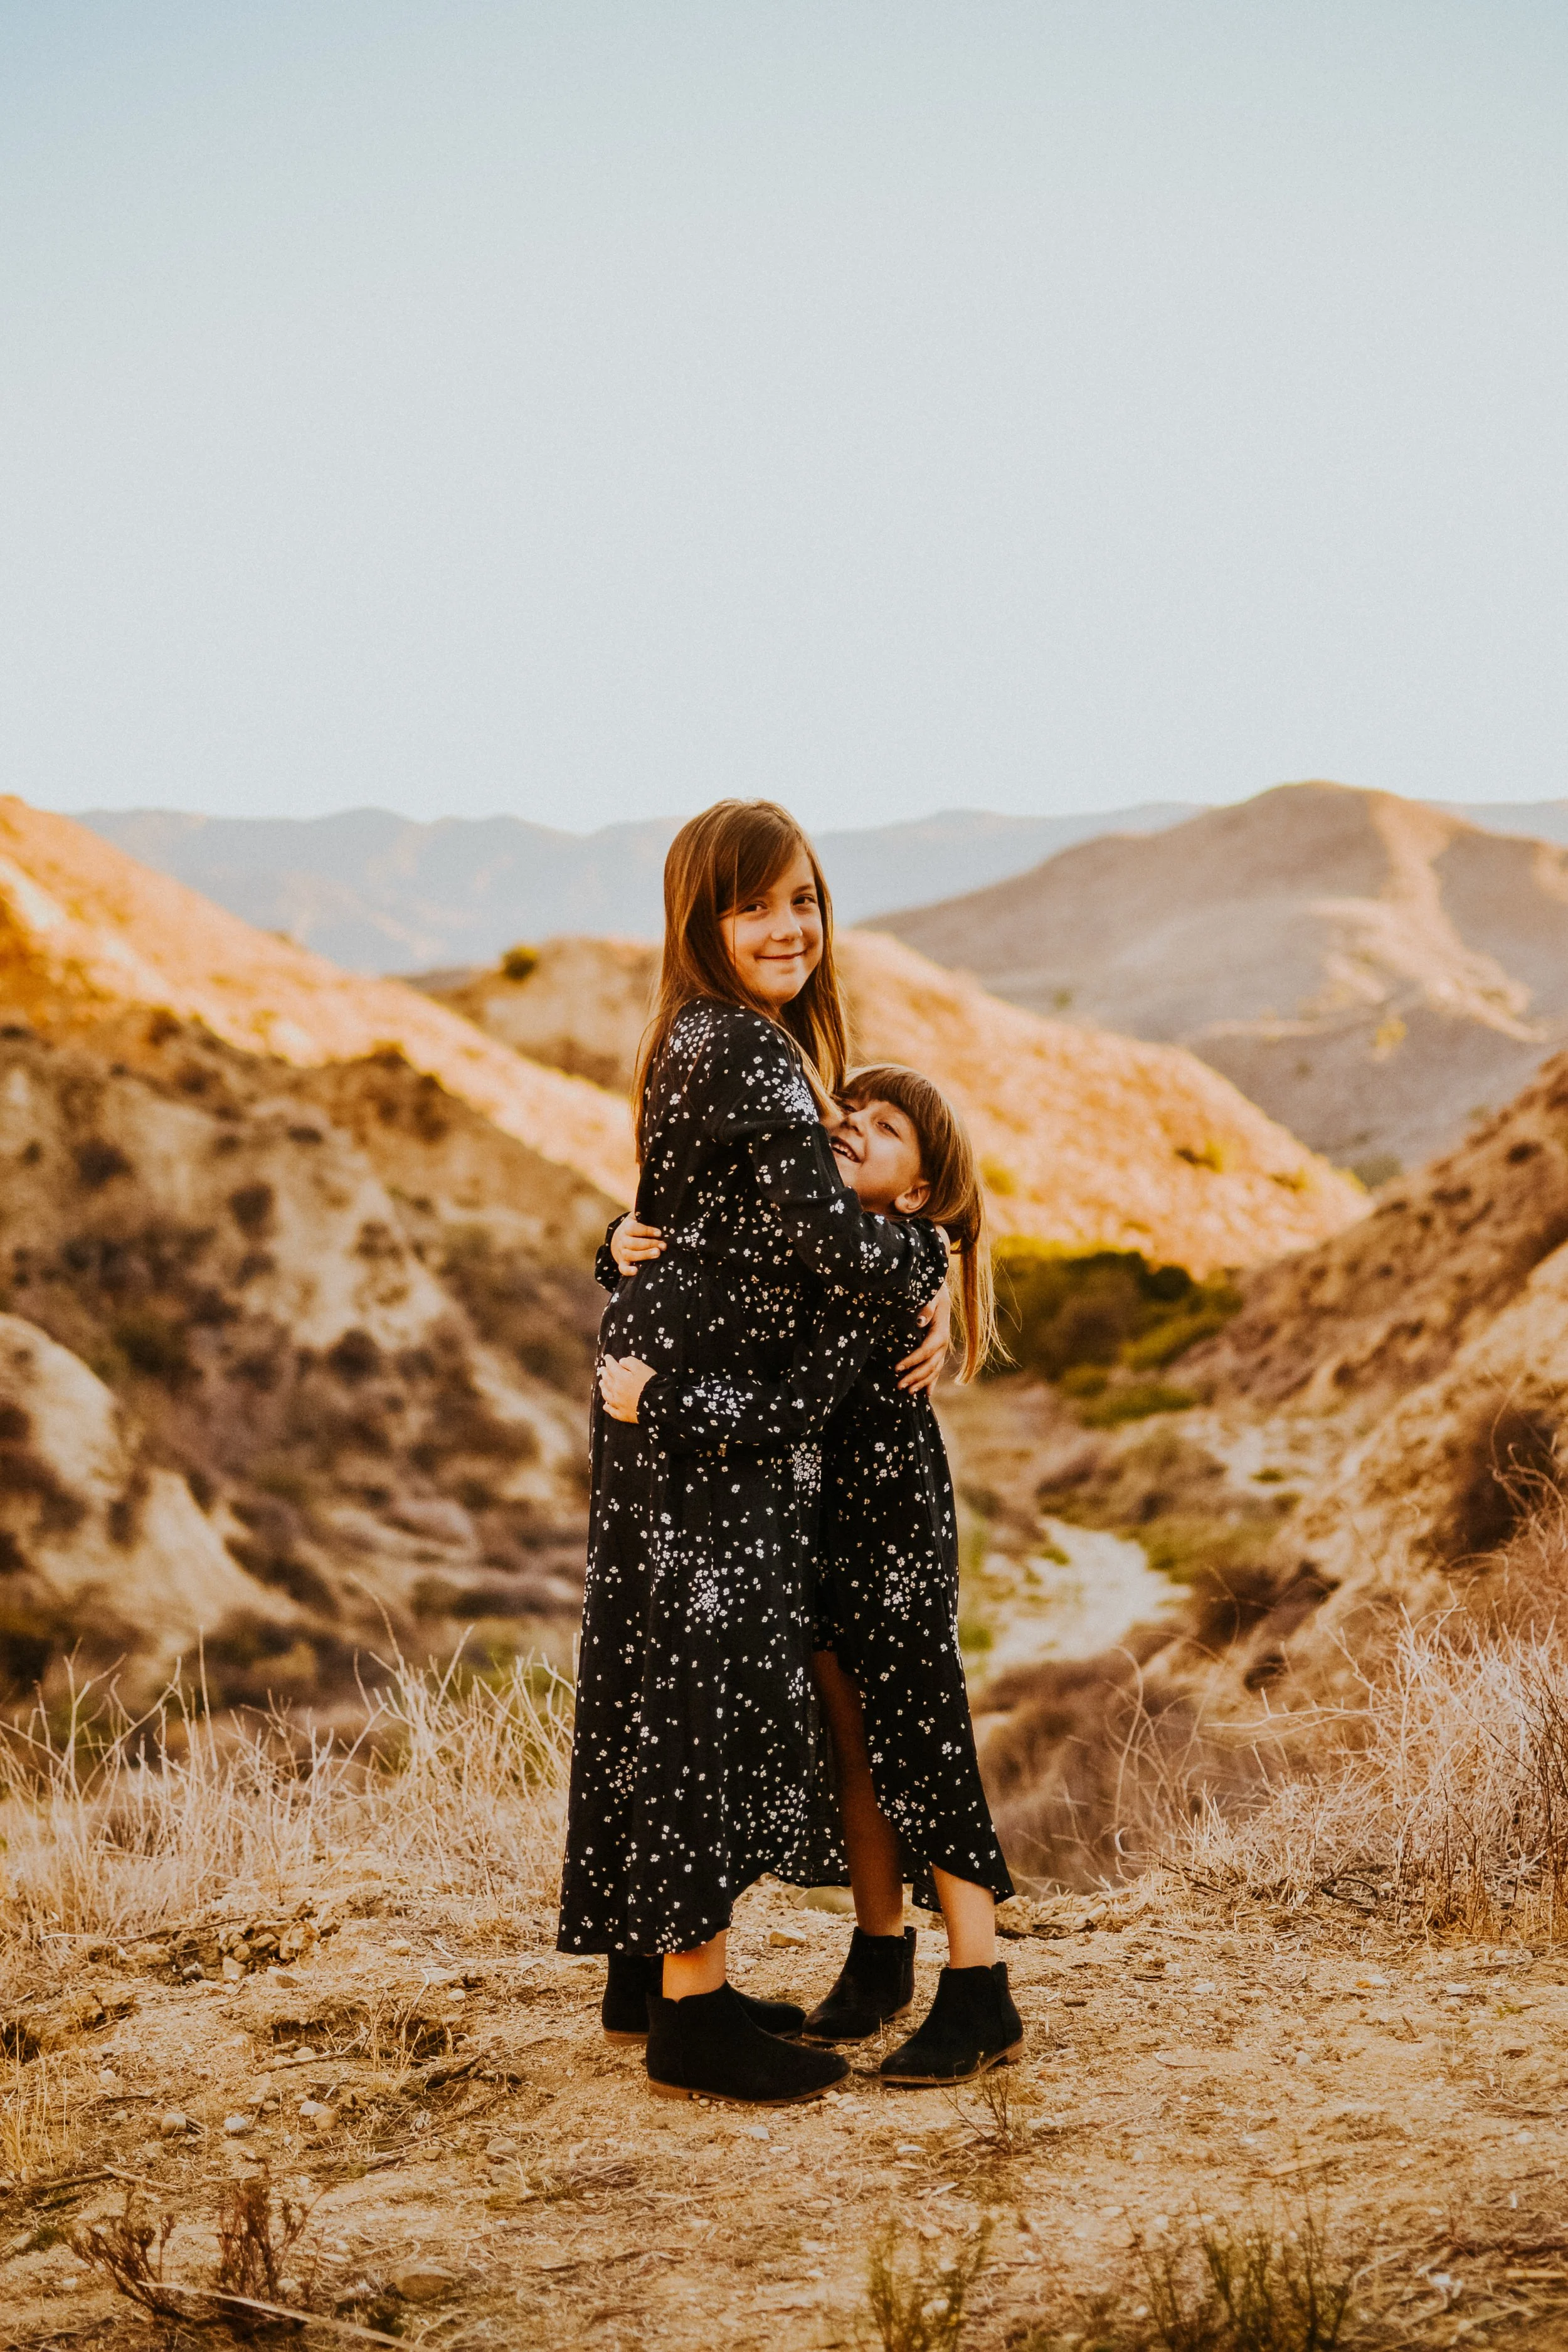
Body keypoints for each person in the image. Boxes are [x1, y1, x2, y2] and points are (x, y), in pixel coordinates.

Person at [556, 799, 951, 2109]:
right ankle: (691, 2014)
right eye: (754, 906)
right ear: (701, 921)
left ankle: (644, 1971)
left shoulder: (702, 1037)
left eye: (804, 902)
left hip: (662, 1392)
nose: (788, 928)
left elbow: (672, 1217)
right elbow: (831, 1240)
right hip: (697, 1413)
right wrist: (934, 1257)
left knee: (652, 1672)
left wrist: (614, 1246)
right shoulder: (746, 1051)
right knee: (696, 1696)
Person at [602, 1063, 1023, 2087]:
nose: (849, 1131)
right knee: (850, 1741)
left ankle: (982, 1985)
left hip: (891, 1536)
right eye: (845, 1114)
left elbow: (787, 1407)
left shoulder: (892, 1267)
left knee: (922, 1736)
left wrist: (656, 1401)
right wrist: (617, 1246)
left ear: (919, 1190)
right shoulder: (827, 1243)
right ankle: (882, 1956)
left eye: (884, 1130)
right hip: (819, 1536)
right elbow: (725, 1277)